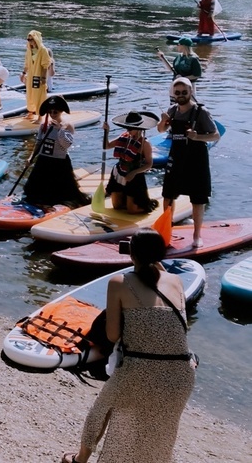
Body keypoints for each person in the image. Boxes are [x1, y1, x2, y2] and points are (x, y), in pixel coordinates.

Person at [61, 230, 196, 463]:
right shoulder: (176, 281)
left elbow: (112, 335)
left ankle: (80, 459)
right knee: (155, 425)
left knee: (102, 409)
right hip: (182, 372)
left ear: (131, 254)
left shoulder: (119, 282)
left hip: (140, 368)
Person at [158, 77, 219, 247]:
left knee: (198, 199)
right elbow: (161, 129)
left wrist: (197, 136)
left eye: (184, 92)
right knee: (168, 195)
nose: (181, 95)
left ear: (191, 92)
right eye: (177, 93)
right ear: (173, 94)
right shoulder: (172, 110)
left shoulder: (201, 112)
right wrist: (163, 121)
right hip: (176, 157)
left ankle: (197, 235)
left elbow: (215, 135)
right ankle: (166, 231)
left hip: (196, 159)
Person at [22, 95, 90, 207]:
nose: (53, 115)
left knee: (62, 192)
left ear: (61, 112)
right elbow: (39, 143)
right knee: (34, 190)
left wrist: (59, 130)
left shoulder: (67, 125)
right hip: (44, 160)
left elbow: (66, 144)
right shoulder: (44, 125)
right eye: (51, 112)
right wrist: (31, 157)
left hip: (59, 162)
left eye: (55, 112)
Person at [102, 111, 160, 214]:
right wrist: (106, 132)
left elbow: (149, 164)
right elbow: (106, 146)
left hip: (135, 176)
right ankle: (126, 200)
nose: (128, 130)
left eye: (130, 128)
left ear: (138, 128)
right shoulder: (124, 137)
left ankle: (145, 204)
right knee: (117, 206)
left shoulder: (145, 144)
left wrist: (134, 173)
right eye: (126, 127)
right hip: (119, 172)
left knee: (132, 210)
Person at [20, 30, 52, 120]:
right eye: (28, 39)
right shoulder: (29, 50)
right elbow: (27, 64)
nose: (30, 41)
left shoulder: (43, 50)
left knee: (39, 95)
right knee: (30, 94)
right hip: (30, 76)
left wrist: (43, 78)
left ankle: (40, 116)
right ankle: (30, 112)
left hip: (38, 75)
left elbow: (45, 65)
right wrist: (23, 73)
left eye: (32, 39)